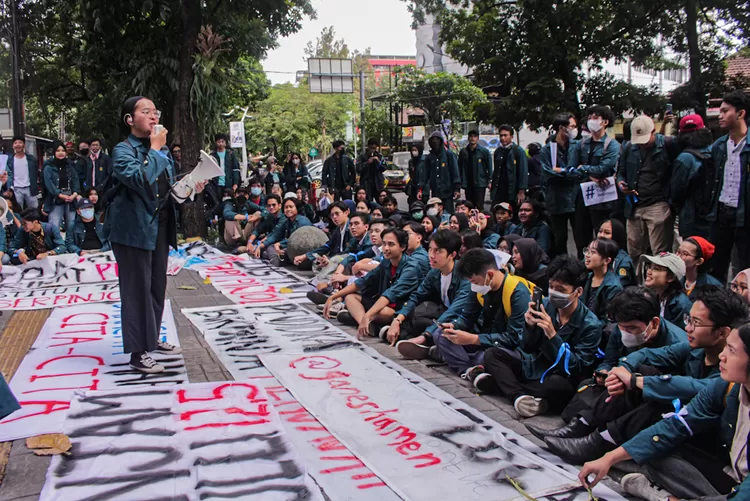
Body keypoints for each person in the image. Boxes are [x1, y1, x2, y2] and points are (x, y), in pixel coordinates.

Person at [541, 286, 747, 466]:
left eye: (696, 322)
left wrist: (636, 380)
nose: (688, 328)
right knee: (639, 377)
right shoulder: (694, 348)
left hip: (704, 438)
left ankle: (600, 441)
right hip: (669, 416)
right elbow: (647, 355)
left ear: (723, 333)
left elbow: (696, 387)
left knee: (662, 398)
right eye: (688, 320)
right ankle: (584, 426)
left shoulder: (732, 372)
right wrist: (624, 370)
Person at [578, 323, 750, 501]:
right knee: (657, 450)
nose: (722, 356)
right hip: (732, 477)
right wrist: (609, 458)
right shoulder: (727, 387)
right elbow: (676, 425)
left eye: (731, 350)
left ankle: (664, 496)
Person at [104, 96, 204, 373]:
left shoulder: (161, 151)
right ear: (129, 120)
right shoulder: (123, 151)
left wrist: (192, 185)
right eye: (145, 112)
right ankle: (138, 353)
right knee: (136, 290)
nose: (153, 116)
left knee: (156, 286)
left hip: (160, 226)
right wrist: (157, 149)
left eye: (154, 111)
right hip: (132, 230)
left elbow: (167, 188)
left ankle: (151, 339)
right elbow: (140, 179)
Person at [468, 255, 601, 417]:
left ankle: (504, 386)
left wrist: (553, 335)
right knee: (492, 354)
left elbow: (576, 367)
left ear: (578, 291)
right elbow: (526, 347)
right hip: (534, 366)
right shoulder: (545, 305)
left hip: (558, 375)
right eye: (551, 287)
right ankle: (519, 396)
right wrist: (529, 326)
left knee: (557, 387)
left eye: (561, 290)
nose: (554, 293)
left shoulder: (590, 325)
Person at [556, 287, 687, 422]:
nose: (625, 333)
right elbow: (609, 360)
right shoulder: (620, 329)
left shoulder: (676, 344)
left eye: (632, 328)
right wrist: (603, 372)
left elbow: (673, 387)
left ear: (654, 323)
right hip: (616, 382)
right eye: (621, 327)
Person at [434, 248, 532, 376]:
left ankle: (465, 362)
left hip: (507, 348)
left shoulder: (517, 293)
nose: (473, 286)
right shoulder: (478, 288)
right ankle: (468, 370)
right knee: (440, 335)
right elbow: (467, 318)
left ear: (490, 275)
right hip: (485, 339)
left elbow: (515, 338)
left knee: (488, 357)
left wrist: (474, 339)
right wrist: (454, 326)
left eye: (475, 281)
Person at [322, 228, 421, 336]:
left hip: (400, 311)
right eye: (384, 244)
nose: (386, 248)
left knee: (380, 311)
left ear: (402, 247)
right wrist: (333, 297)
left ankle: (364, 319)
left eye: (391, 244)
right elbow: (362, 282)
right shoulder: (386, 262)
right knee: (350, 297)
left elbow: (390, 294)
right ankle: (365, 325)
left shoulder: (411, 268)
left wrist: (367, 315)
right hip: (381, 304)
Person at [391, 229, 473, 350]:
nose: (431, 255)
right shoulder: (435, 272)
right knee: (417, 312)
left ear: (452, 255)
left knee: (444, 331)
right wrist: (398, 319)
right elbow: (417, 296)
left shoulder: (464, 276)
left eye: (438, 251)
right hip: (443, 313)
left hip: (463, 320)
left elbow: (454, 310)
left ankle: (429, 344)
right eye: (430, 249)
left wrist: (426, 335)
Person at [618, 115, 681, 259]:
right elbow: (621, 172)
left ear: (653, 132)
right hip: (634, 204)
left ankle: (660, 280)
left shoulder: (668, 144)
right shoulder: (629, 147)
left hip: (658, 203)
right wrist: (621, 184)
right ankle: (639, 279)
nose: (642, 144)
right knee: (634, 249)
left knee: (659, 252)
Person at [709, 91, 750, 283]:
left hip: (745, 215)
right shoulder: (719, 145)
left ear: (740, 114)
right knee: (716, 264)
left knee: (744, 266)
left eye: (725, 111)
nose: (720, 115)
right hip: (721, 212)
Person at [569, 105, 621, 244]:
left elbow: (603, 168)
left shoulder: (612, 145)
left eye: (596, 118)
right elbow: (571, 170)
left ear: (605, 122)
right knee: (581, 237)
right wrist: (589, 175)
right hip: (582, 196)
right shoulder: (581, 144)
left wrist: (583, 168)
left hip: (603, 197)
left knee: (602, 237)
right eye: (590, 117)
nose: (592, 120)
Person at [670, 114, 715, 239]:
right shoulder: (716, 151)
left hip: (691, 218)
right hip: (714, 217)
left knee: (692, 254)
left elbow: (676, 193)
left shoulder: (684, 159)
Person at [541, 113, 579, 257]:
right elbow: (548, 173)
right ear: (562, 128)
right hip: (556, 200)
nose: (575, 130)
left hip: (575, 199)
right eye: (572, 127)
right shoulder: (547, 150)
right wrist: (571, 173)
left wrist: (563, 171)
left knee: (580, 238)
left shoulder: (577, 146)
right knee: (559, 239)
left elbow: (582, 171)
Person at [640, 252, 693, 330]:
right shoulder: (652, 297)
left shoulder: (681, 305)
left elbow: (681, 335)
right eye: (649, 267)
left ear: (671, 277)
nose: (648, 272)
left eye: (656, 269)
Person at [295, 201, 351, 269]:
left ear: (346, 212)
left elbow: (349, 252)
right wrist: (305, 256)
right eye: (332, 215)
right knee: (316, 263)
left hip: (346, 259)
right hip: (336, 258)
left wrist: (330, 260)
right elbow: (328, 246)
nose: (334, 217)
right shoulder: (338, 229)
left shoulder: (352, 229)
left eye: (337, 213)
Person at [582, 238, 624, 323]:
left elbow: (608, 320)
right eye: (587, 251)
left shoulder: (614, 287)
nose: (587, 255)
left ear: (607, 260)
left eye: (593, 252)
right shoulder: (586, 278)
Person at [261, 198, 312, 266]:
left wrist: (279, 244)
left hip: (303, 249)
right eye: (286, 207)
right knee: (269, 247)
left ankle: (278, 260)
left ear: (297, 208)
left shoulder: (303, 221)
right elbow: (276, 235)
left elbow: (298, 240)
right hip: (290, 246)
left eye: (291, 207)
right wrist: (261, 245)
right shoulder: (287, 222)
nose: (288, 209)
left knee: (271, 250)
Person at [43, 141, 81, 230]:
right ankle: (55, 244)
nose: (61, 153)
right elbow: (49, 185)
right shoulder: (48, 167)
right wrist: (60, 194)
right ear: (54, 152)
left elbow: (75, 181)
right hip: (55, 200)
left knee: (71, 226)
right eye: (58, 150)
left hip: (70, 199)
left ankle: (70, 244)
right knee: (54, 225)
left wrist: (74, 194)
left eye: (63, 150)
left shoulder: (70, 166)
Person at [491, 125, 528, 207]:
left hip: (512, 191)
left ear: (511, 136)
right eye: (501, 135)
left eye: (505, 135)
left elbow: (523, 172)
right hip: (499, 190)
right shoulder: (498, 151)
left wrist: (521, 191)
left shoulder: (518, 151)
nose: (503, 138)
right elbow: (496, 171)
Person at [424, 131, 460, 214]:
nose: (435, 143)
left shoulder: (449, 154)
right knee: (435, 212)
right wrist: (421, 188)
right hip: (435, 191)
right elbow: (425, 174)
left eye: (437, 140)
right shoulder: (429, 157)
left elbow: (455, 171)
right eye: (433, 141)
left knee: (448, 212)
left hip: (447, 191)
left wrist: (457, 188)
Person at [595, 218, 636, 288]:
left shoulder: (623, 261)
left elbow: (619, 287)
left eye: (607, 233)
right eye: (600, 231)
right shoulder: (594, 253)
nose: (601, 235)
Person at [459, 129, 493, 210]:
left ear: (477, 138)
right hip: (468, 183)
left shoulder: (484, 151)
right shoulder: (463, 152)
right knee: (469, 206)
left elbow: (489, 167)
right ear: (468, 138)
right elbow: (460, 167)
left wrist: (490, 180)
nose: (472, 138)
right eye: (471, 136)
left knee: (479, 206)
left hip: (480, 183)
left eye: (475, 137)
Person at [5, 136, 39, 210]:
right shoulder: (10, 160)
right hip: (16, 189)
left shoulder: (31, 159)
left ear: (24, 145)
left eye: (20, 142)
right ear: (13, 146)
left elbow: (36, 173)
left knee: (34, 210)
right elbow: (8, 174)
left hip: (30, 188)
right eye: (15, 143)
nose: (18, 145)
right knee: (17, 210)